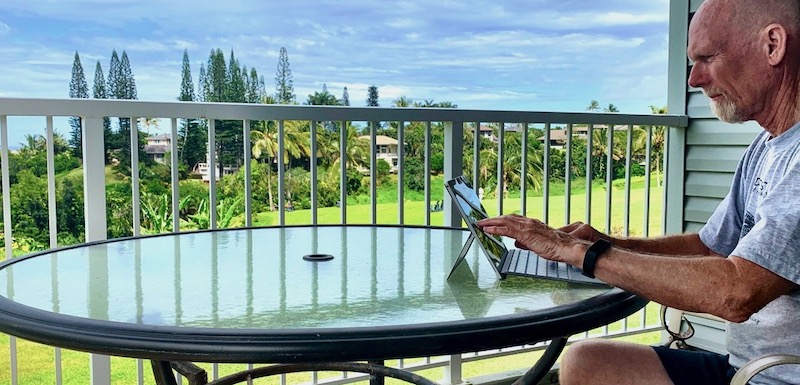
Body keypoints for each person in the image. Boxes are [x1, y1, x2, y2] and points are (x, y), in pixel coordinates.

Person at [477, 0, 800, 384]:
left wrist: (586, 255)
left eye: (707, 58)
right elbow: (712, 247)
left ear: (773, 45)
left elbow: (737, 293)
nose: (694, 79)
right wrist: (607, 242)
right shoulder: (767, 145)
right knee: (586, 363)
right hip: (740, 368)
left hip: (777, 376)